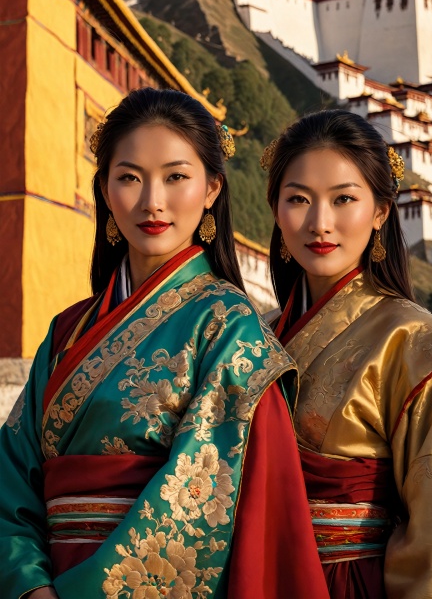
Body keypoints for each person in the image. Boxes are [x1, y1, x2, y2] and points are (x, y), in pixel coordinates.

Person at [0, 88, 328, 599]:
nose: (153, 201)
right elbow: (10, 479)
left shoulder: (228, 327)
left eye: (176, 177)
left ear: (213, 189)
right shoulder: (66, 332)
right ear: (105, 191)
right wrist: (27, 584)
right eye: (129, 178)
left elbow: (200, 502)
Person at [261, 108, 432, 598]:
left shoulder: (415, 346)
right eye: (298, 199)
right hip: (255, 576)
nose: (320, 222)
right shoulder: (252, 340)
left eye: (344, 199)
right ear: (275, 208)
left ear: (381, 210)